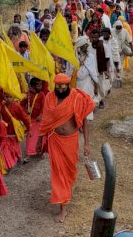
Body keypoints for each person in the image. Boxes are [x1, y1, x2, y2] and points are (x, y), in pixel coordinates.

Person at [40, 74, 96, 223]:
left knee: (69, 173)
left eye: (63, 85)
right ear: (55, 85)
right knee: (59, 174)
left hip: (71, 141)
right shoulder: (50, 98)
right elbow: (46, 120)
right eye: (58, 86)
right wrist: (41, 140)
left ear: (68, 84)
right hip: (55, 140)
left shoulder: (77, 98)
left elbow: (84, 122)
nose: (61, 88)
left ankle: (64, 197)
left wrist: (87, 144)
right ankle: (63, 209)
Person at [21, 78, 46, 158]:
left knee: (40, 136)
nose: (40, 87)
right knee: (30, 137)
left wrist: (41, 115)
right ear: (32, 86)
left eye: (41, 85)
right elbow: (21, 105)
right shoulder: (27, 94)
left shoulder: (42, 94)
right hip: (30, 120)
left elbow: (44, 106)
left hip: (39, 120)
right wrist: (25, 111)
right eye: (38, 85)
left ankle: (39, 151)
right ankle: (29, 153)